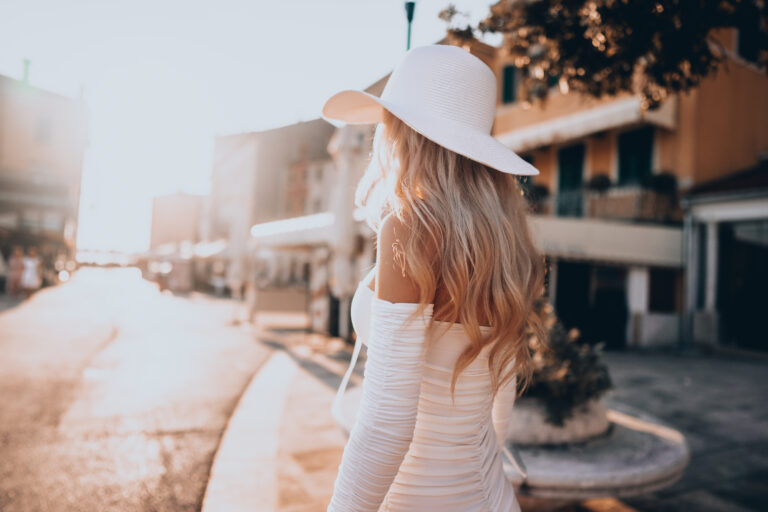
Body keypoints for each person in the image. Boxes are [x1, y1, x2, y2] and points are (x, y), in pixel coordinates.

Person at [320, 44, 548, 512]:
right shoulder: (509, 241)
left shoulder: (411, 230)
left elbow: (386, 424)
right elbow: (500, 391)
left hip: (417, 497)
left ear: (405, 133)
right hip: (488, 494)